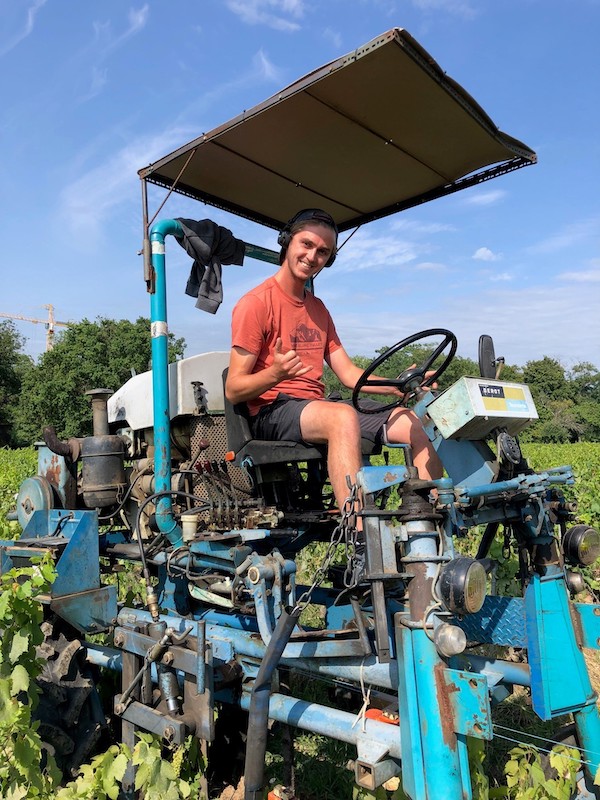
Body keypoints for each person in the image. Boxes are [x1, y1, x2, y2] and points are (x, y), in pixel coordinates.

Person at [225, 208, 443, 516]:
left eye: (323, 252)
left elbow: (349, 374)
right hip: (272, 411)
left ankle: (428, 522)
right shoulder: (256, 303)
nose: (312, 256)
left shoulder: (319, 309)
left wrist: (397, 385)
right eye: (306, 244)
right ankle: (358, 533)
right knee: (342, 417)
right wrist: (275, 373)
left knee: (410, 422)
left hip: (316, 407)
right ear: (287, 242)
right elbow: (234, 389)